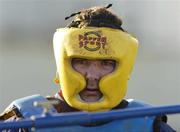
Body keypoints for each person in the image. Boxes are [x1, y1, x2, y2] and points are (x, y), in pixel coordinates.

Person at [0, 4, 176, 132]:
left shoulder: (147, 124)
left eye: (105, 64)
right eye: (82, 62)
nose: (92, 75)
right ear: (61, 67)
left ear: (125, 69)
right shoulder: (24, 120)